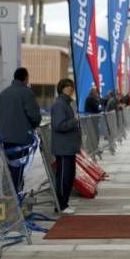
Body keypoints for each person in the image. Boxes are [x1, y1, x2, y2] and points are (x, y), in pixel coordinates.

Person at [0, 67, 42, 192]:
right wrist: (34, 125)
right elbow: (34, 115)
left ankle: (7, 194)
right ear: (26, 78)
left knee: (8, 167)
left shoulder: (4, 93)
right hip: (21, 139)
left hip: (4, 138)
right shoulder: (27, 92)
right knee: (18, 168)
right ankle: (15, 198)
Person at [51, 79, 81, 214]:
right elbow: (59, 125)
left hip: (69, 147)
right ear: (61, 88)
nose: (70, 88)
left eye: (71, 86)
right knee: (64, 177)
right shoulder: (59, 104)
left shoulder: (67, 103)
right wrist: (74, 121)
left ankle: (64, 203)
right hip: (63, 148)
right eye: (67, 86)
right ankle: (61, 205)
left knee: (69, 176)